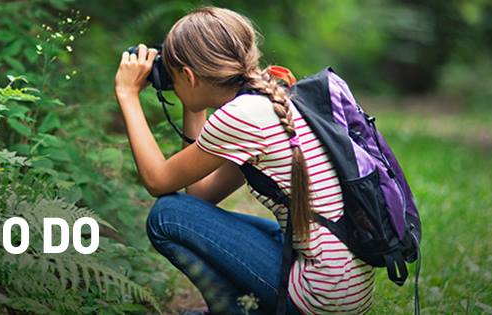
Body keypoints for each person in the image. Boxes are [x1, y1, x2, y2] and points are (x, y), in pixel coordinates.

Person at [113, 7, 374, 315]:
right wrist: (193, 102)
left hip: (321, 297)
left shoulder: (241, 117)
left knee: (166, 215)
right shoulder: (271, 98)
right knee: (190, 214)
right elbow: (201, 194)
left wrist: (127, 94)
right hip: (345, 287)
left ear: (189, 76)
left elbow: (158, 181)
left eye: (176, 76)